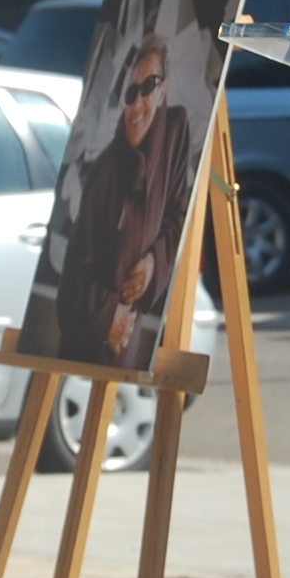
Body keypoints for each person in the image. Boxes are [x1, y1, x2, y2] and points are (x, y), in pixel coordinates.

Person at [56, 33, 195, 369]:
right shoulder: (105, 171)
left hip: (128, 346)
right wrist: (109, 316)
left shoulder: (175, 132)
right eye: (131, 93)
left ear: (164, 89)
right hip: (92, 345)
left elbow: (177, 216)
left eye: (149, 86)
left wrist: (153, 264)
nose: (137, 105)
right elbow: (71, 282)